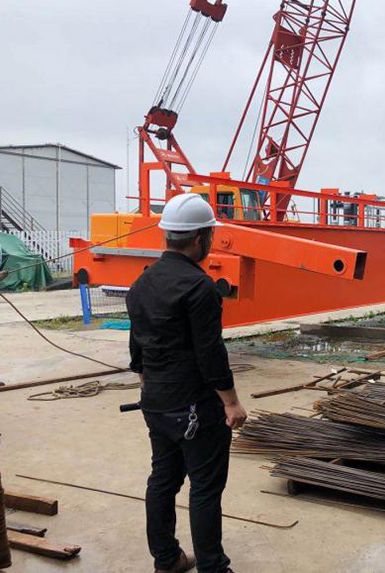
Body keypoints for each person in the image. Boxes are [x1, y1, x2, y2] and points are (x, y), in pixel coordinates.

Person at [127, 193, 247, 573]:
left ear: (167, 235)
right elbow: (210, 353)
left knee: (163, 480)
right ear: (200, 238)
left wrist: (148, 383)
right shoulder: (200, 288)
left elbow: (137, 345)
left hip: (155, 402)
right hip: (195, 408)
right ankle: (213, 567)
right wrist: (231, 402)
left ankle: (167, 560)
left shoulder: (141, 283)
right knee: (205, 488)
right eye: (210, 234)